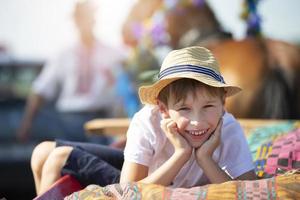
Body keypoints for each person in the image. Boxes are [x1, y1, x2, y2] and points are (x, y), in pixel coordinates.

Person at [31, 46, 256, 195]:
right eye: (184, 108)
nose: (197, 121)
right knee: (41, 151)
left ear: (223, 103)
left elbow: (247, 190)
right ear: (163, 108)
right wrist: (181, 154)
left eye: (207, 107)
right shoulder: (147, 120)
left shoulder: (228, 127)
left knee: (58, 158)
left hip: (148, 180)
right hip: (147, 174)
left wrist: (205, 158)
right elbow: (129, 188)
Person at [17, 0, 126, 143]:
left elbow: (123, 87)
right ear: (75, 21)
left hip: (100, 121)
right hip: (69, 122)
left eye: (89, 16)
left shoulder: (112, 54)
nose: (86, 22)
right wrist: (27, 123)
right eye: (81, 17)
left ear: (94, 19)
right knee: (69, 161)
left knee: (98, 162)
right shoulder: (63, 55)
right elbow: (40, 90)